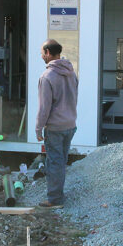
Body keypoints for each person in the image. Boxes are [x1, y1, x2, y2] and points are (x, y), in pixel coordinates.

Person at [35, 39, 78, 208]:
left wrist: (38, 128)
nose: (41, 56)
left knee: (54, 163)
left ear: (47, 52)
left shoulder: (47, 77)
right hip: (70, 124)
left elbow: (44, 107)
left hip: (55, 127)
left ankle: (54, 199)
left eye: (41, 53)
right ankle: (59, 194)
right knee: (61, 162)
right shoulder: (71, 73)